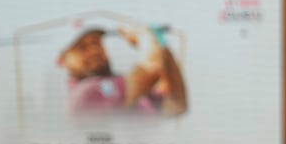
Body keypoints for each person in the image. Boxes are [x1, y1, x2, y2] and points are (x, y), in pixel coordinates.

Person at [56, 25, 188, 117]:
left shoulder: (119, 87)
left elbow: (177, 104)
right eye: (82, 47)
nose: (95, 51)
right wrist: (146, 38)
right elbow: (151, 71)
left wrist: (163, 48)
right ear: (61, 61)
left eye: (97, 44)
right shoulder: (86, 93)